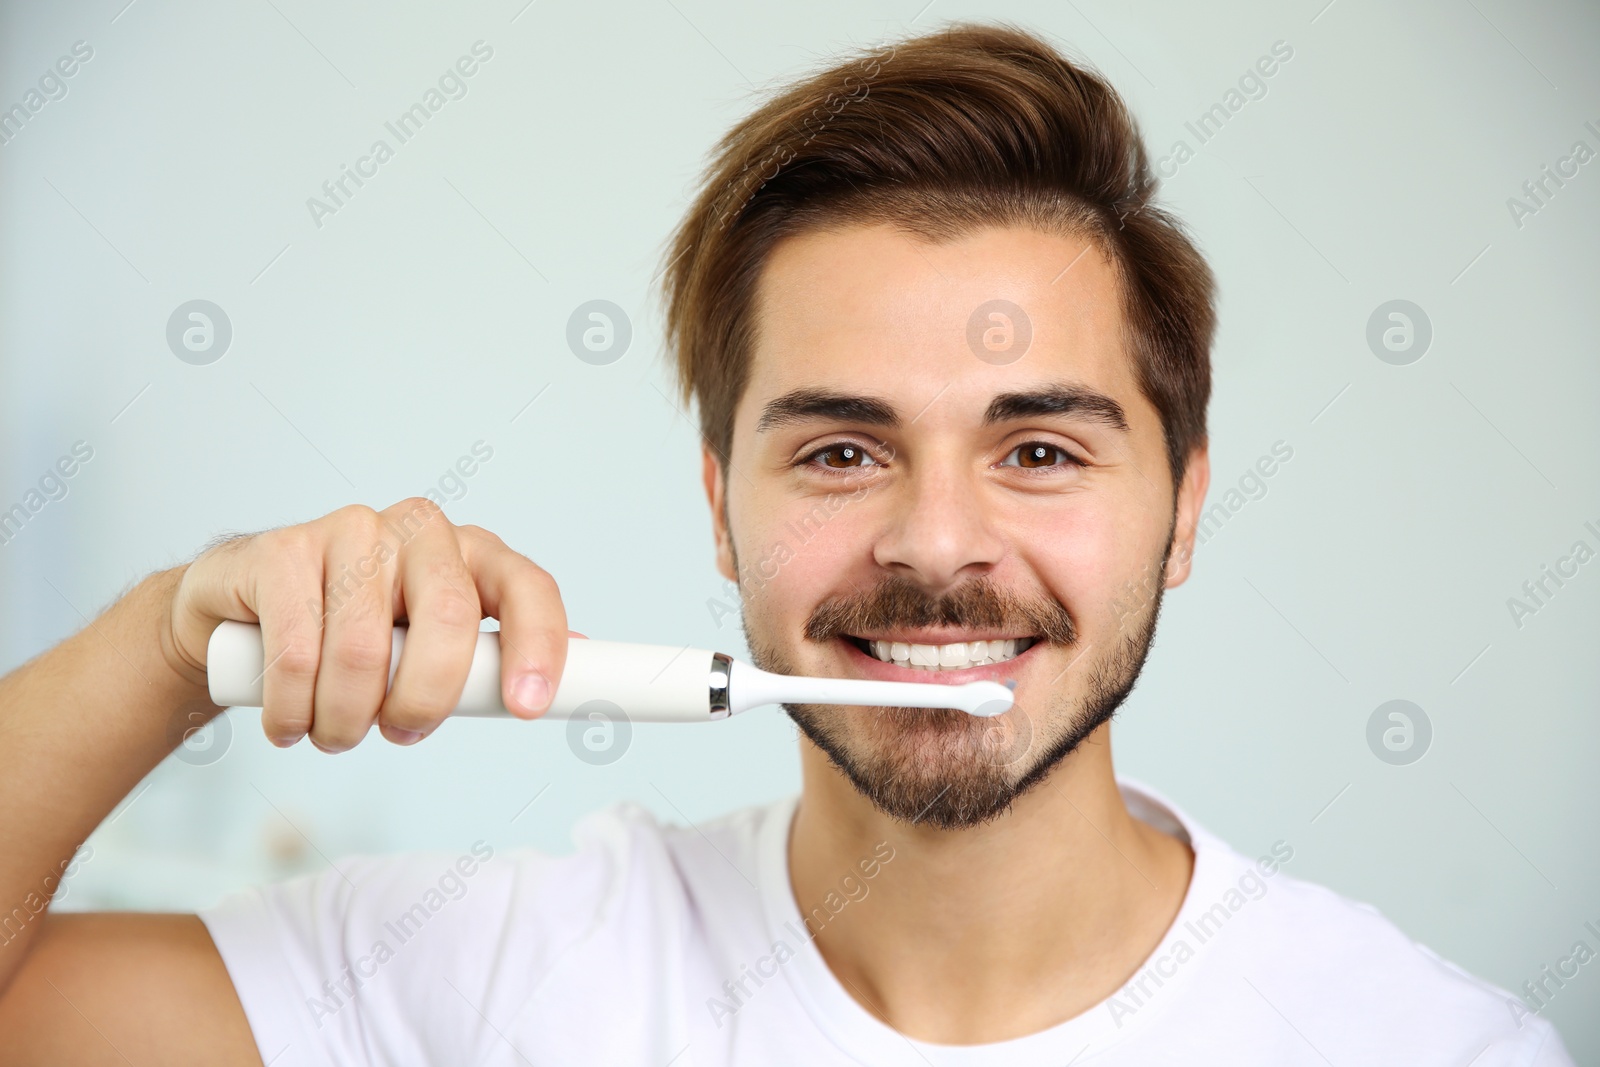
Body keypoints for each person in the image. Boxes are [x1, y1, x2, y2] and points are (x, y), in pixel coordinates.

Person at [0, 21, 1573, 1066]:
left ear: (1186, 501)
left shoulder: (1426, 1045)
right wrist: (159, 650)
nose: (939, 542)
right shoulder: (478, 978)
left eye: (1037, 449)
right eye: (840, 449)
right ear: (717, 504)